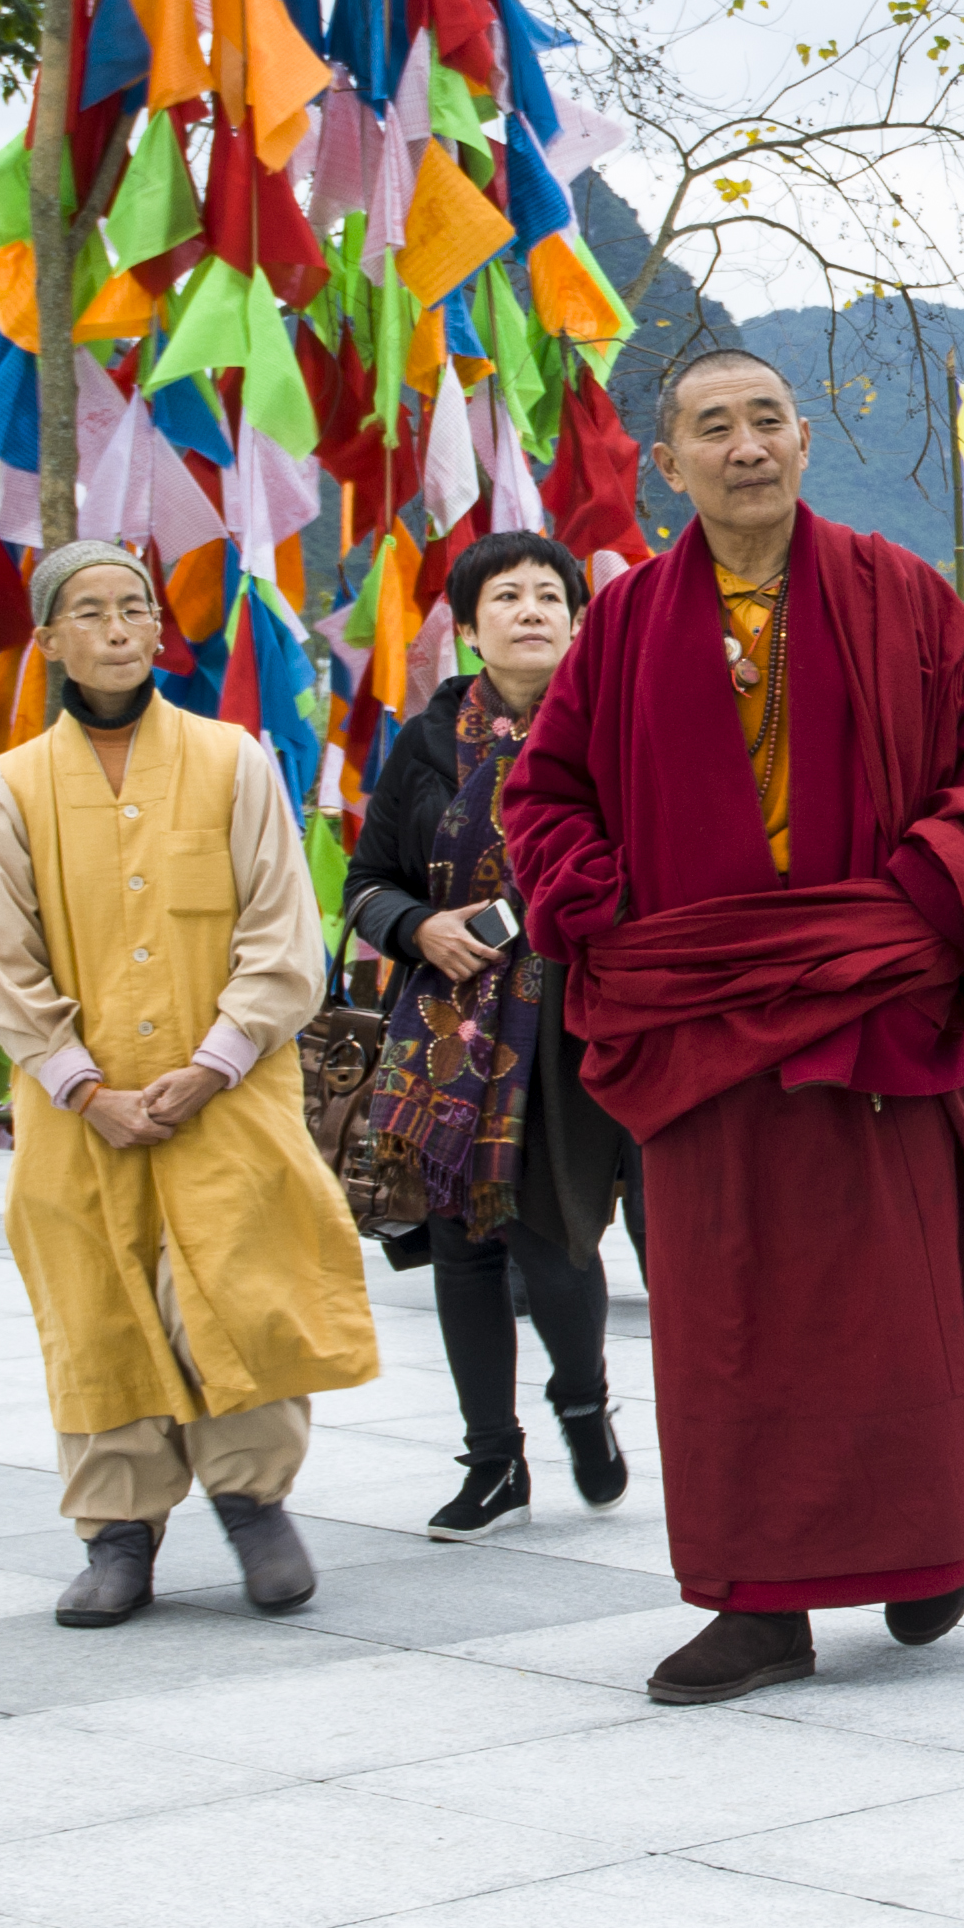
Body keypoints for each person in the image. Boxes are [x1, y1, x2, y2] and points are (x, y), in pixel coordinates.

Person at [502, 347, 964, 1704]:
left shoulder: (898, 592)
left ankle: (923, 1543)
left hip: (869, 1007)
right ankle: (757, 1603)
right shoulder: (618, 629)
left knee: (894, 1306)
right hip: (704, 1021)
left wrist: (919, 912)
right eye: (711, 429)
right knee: (725, 1320)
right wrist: (603, 905)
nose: (746, 447)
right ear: (665, 467)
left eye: (767, 421)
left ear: (804, 440)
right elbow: (543, 797)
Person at [0, 538, 375, 1628]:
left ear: (158, 629)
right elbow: (4, 965)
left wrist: (211, 1066)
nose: (112, 626)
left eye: (131, 607)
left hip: (228, 1093)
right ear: (50, 641)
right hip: (76, 1112)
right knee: (95, 1299)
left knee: (238, 1284)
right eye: (86, 611)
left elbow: (283, 937)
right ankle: (116, 1535)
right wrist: (84, 1086)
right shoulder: (10, 789)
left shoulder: (231, 759)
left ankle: (254, 1505)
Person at [340, 529, 636, 1541]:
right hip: (446, 1025)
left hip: (573, 1021)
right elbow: (367, 880)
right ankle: (492, 1461)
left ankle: (584, 1404)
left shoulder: (615, 730)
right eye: (505, 596)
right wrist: (417, 926)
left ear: (579, 618)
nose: (531, 610)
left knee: (553, 1232)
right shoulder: (423, 748)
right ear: (468, 628)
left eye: (550, 594)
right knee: (462, 1242)